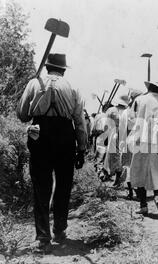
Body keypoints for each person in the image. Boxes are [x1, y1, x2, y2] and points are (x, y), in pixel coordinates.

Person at [17, 53, 87, 252]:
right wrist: (81, 149)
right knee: (63, 185)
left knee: (41, 186)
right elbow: (79, 122)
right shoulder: (72, 87)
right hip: (66, 136)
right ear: (63, 70)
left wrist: (36, 96)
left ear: (47, 67)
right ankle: (60, 229)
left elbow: (22, 114)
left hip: (40, 134)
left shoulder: (34, 82)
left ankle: (42, 237)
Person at [129, 82, 158, 217]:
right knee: (156, 170)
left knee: (139, 172)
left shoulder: (140, 99)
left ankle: (143, 205)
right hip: (157, 140)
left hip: (140, 139)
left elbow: (132, 119)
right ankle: (157, 196)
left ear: (149, 88)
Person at [119, 89, 143, 199]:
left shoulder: (126, 112)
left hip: (130, 141)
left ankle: (131, 192)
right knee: (136, 167)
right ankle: (137, 192)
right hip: (138, 142)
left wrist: (122, 143)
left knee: (129, 166)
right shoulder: (140, 111)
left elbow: (122, 130)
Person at [103, 94, 129, 187]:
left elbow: (106, 125)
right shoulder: (127, 111)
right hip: (125, 134)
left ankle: (117, 178)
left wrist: (105, 136)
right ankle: (120, 179)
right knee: (121, 157)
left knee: (114, 156)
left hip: (114, 134)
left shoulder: (111, 110)